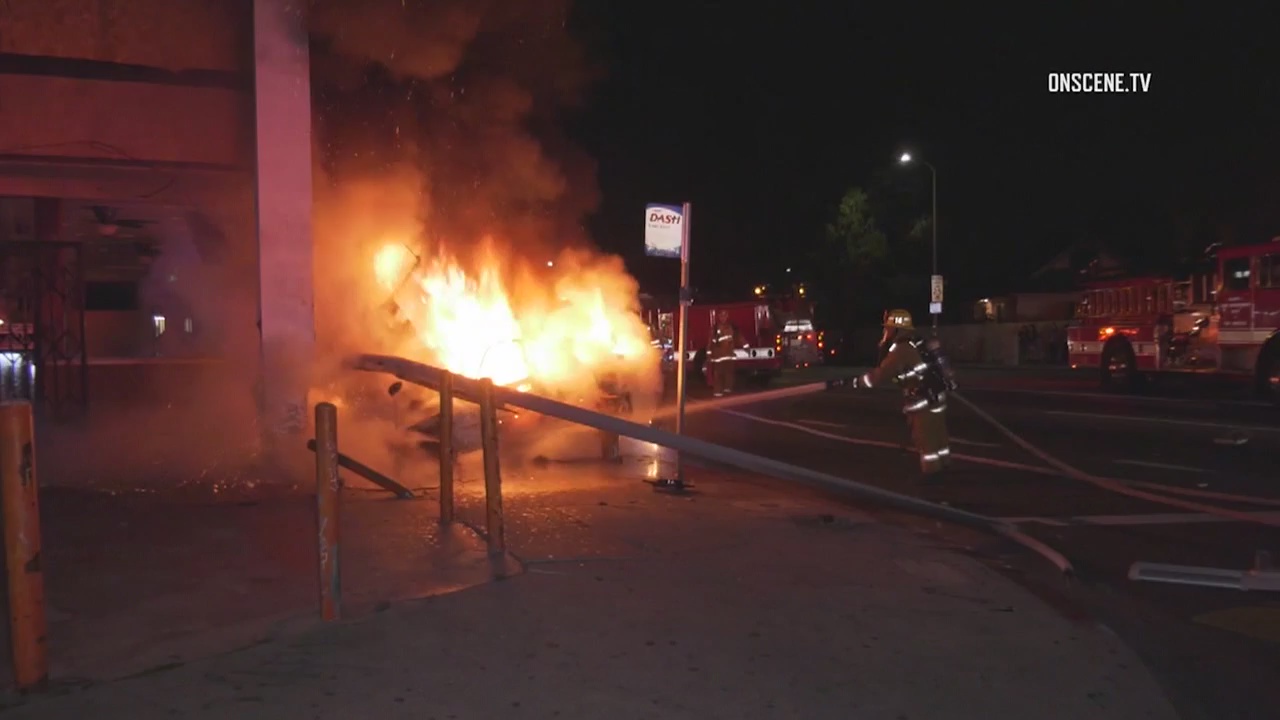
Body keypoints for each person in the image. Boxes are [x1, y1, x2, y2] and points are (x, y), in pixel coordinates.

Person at [831, 309, 955, 478]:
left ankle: (932, 473)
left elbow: (879, 376)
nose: (885, 331)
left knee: (925, 439)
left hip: (923, 401)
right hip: (937, 397)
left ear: (896, 328)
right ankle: (944, 465)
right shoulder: (916, 342)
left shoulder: (901, 349)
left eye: (887, 328)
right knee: (939, 434)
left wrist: (853, 382)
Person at [707, 309, 740, 397]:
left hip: (729, 356)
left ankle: (727, 390)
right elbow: (710, 342)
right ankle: (718, 392)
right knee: (718, 375)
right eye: (721, 316)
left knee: (729, 374)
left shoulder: (731, 327)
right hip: (719, 357)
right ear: (719, 317)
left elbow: (738, 337)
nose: (723, 317)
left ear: (727, 316)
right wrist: (709, 355)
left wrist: (746, 347)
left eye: (725, 315)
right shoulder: (715, 329)